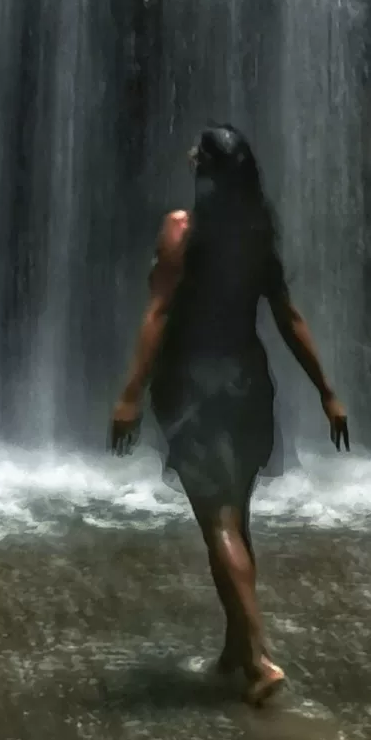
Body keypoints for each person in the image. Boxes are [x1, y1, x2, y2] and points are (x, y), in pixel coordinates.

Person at [109, 127, 349, 703]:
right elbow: (290, 319)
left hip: (195, 387)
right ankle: (235, 648)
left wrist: (129, 395)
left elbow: (158, 315)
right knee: (237, 520)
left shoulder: (181, 232)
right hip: (248, 385)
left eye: (197, 155)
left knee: (218, 524)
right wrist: (327, 392)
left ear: (207, 172)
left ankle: (262, 658)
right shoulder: (256, 236)